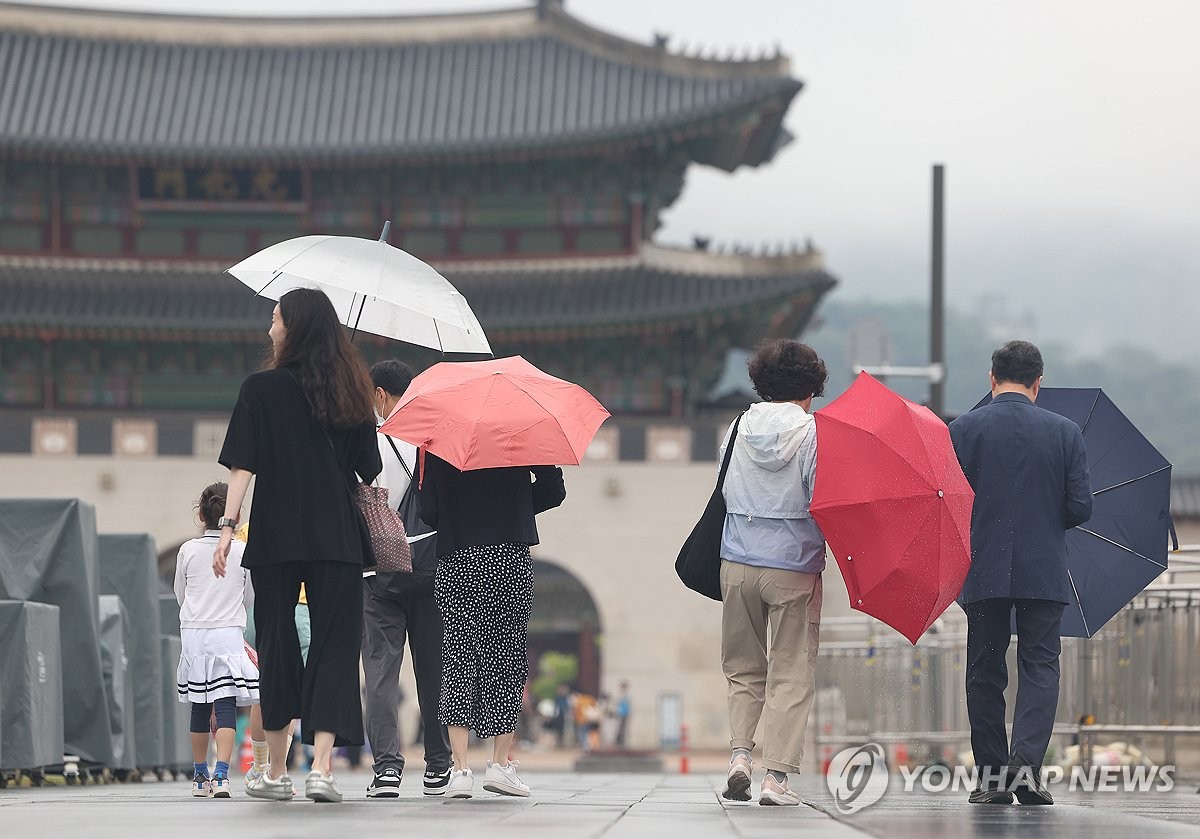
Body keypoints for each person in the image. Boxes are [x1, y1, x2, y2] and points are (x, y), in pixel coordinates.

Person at [214, 287, 382, 804]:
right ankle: (324, 770)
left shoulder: (259, 388)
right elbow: (369, 469)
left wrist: (227, 527)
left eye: (275, 317)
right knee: (334, 646)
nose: (270, 327)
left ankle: (278, 771)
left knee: (277, 645)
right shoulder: (352, 392)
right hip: (336, 536)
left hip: (277, 535)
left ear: (294, 327)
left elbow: (242, 465)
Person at [949, 340, 1092, 806]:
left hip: (982, 567)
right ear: (1038, 382)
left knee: (984, 669)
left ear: (991, 379)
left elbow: (949, 501)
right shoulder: (1065, 432)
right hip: (1043, 569)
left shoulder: (962, 430)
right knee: (1040, 667)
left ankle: (991, 778)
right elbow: (1080, 507)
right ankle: (1026, 769)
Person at [718, 338, 827, 807]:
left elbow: (721, 488)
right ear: (810, 390)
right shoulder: (812, 433)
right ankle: (775, 778)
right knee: (790, 671)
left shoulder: (737, 427)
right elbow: (818, 496)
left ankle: (741, 755)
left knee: (743, 668)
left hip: (736, 562)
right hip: (792, 567)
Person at [419, 451, 566, 798]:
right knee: (506, 657)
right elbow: (554, 489)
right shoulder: (519, 432)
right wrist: (514, 507)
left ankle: (459, 770)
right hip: (508, 556)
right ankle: (499, 764)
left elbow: (427, 511)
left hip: (457, 557)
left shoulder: (439, 439)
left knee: (458, 656)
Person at [362, 359, 453, 798]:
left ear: (380, 394)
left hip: (380, 570)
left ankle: (387, 770)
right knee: (433, 668)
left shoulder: (370, 444)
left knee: (380, 671)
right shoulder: (432, 440)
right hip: (432, 568)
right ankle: (439, 765)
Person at [175, 482, 259, 798]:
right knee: (225, 705)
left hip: (194, 634)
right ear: (235, 515)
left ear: (201, 514)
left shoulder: (187, 550)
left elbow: (180, 594)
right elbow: (249, 597)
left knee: (199, 705)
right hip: (227, 634)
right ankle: (222, 775)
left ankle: (200, 776)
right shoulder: (241, 550)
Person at [614, 681, 632, 748]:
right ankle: (618, 741)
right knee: (619, 728)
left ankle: (623, 742)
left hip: (625, 713)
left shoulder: (628, 695)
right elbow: (617, 704)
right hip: (620, 713)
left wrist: (629, 713)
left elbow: (629, 706)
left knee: (624, 728)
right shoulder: (620, 695)